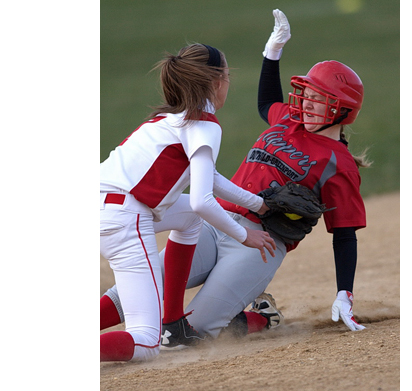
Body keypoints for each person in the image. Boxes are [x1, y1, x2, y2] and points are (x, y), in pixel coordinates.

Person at [101, 9, 370, 346]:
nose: (307, 102)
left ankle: (260, 319)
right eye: (308, 94)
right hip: (216, 221)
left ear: (342, 110)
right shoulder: (288, 119)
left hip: (260, 246)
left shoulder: (338, 164)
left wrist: (344, 292)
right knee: (136, 287)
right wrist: (272, 53)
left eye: (319, 99)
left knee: (184, 338)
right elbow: (266, 102)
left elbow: (344, 235)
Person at [100, 43, 277, 362]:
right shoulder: (205, 124)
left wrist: (257, 203)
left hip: (103, 206)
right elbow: (202, 201)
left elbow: (210, 178)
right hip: (124, 220)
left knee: (188, 221)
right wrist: (244, 235)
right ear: (217, 81)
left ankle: (174, 321)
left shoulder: (168, 119)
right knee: (146, 343)